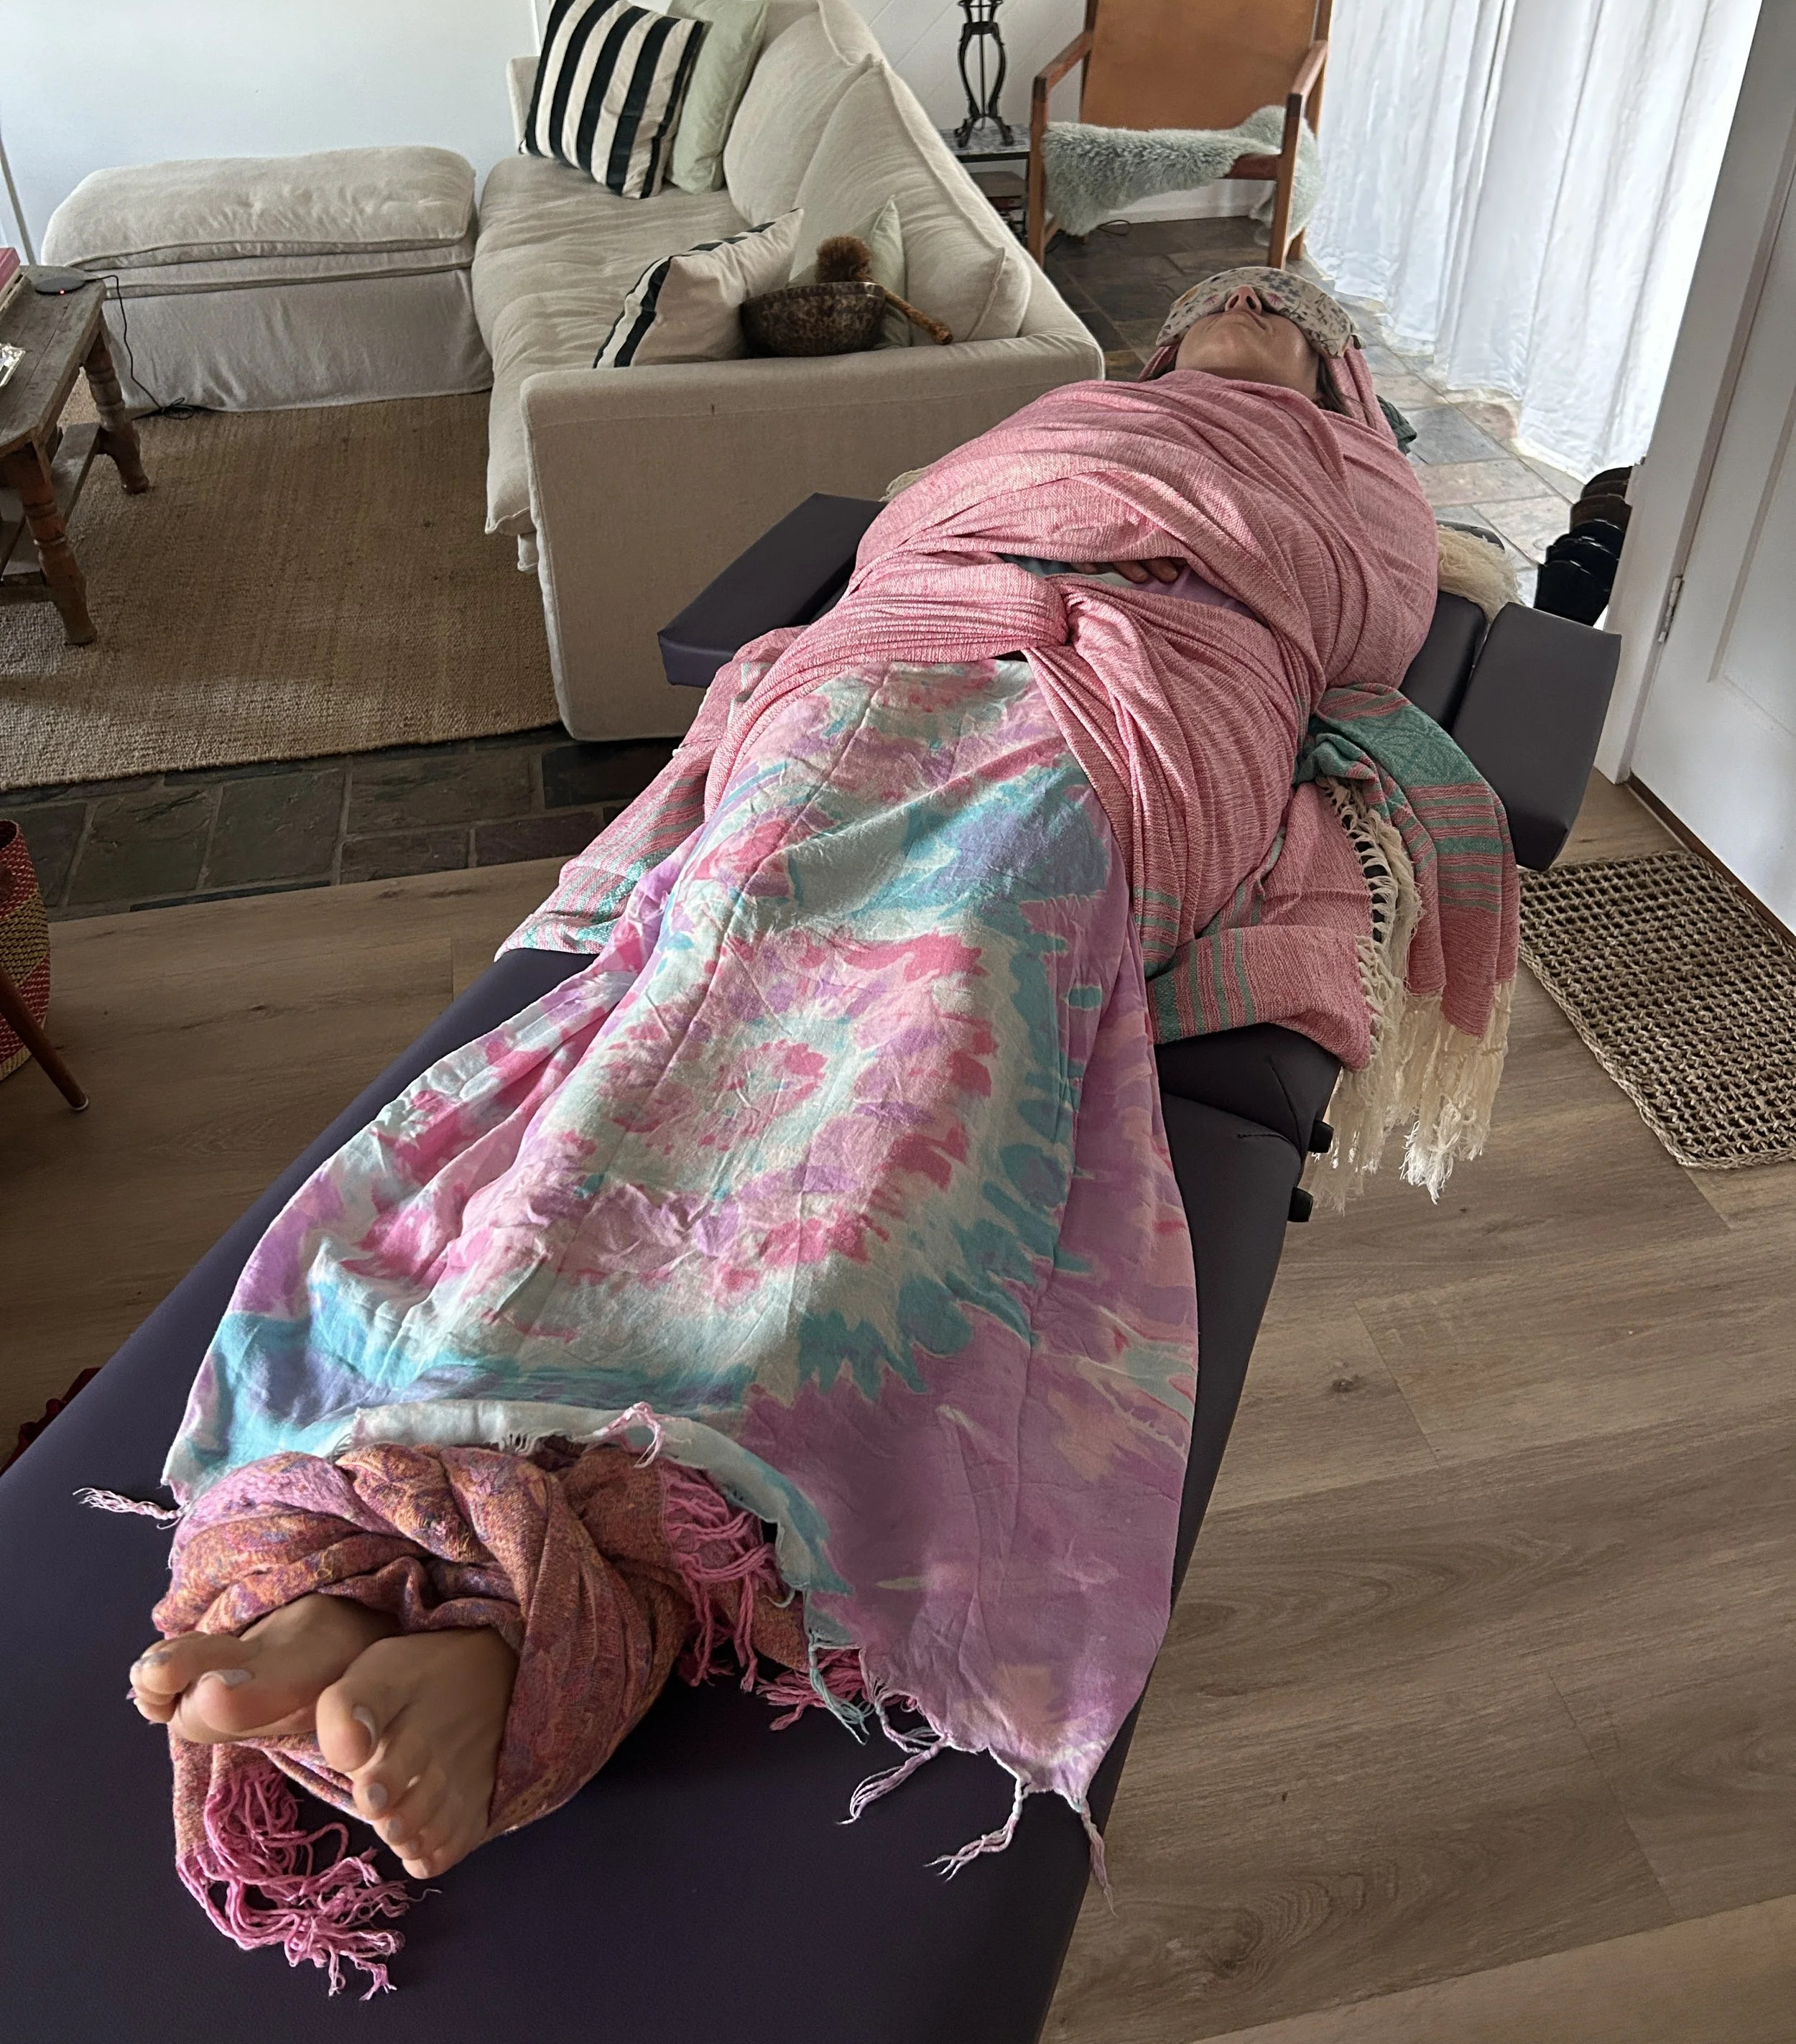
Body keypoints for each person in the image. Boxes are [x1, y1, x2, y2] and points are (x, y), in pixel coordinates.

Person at [124, 269, 1516, 1991]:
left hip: (1140, 703)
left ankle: (525, 1598)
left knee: (941, 1004)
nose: (1239, 327)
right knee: (709, 953)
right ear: (1159, 349)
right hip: (888, 661)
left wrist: (1165, 577)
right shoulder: (1056, 417)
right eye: (1216, 314)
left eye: (1274, 324)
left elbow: (1355, 632)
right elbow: (916, 530)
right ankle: (397, 1560)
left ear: (1332, 379)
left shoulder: (1349, 479)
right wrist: (992, 564)